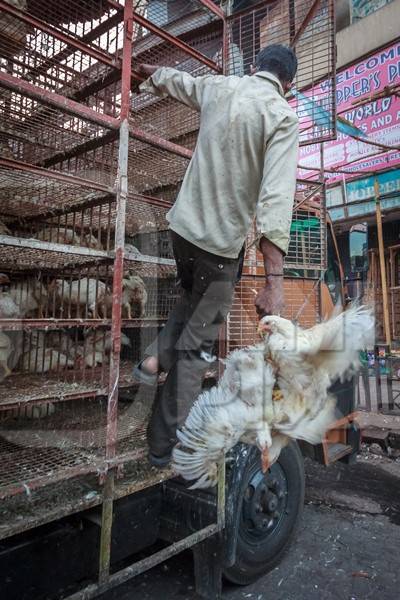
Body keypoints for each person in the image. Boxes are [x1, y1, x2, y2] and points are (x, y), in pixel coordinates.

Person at [134, 44, 299, 466]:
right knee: (198, 349)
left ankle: (154, 359)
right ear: (289, 84)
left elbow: (180, 82)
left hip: (182, 230)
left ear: (254, 67)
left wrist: (149, 72)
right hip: (219, 247)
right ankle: (160, 444)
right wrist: (274, 283)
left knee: (192, 298)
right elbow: (276, 201)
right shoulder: (281, 116)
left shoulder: (223, 86)